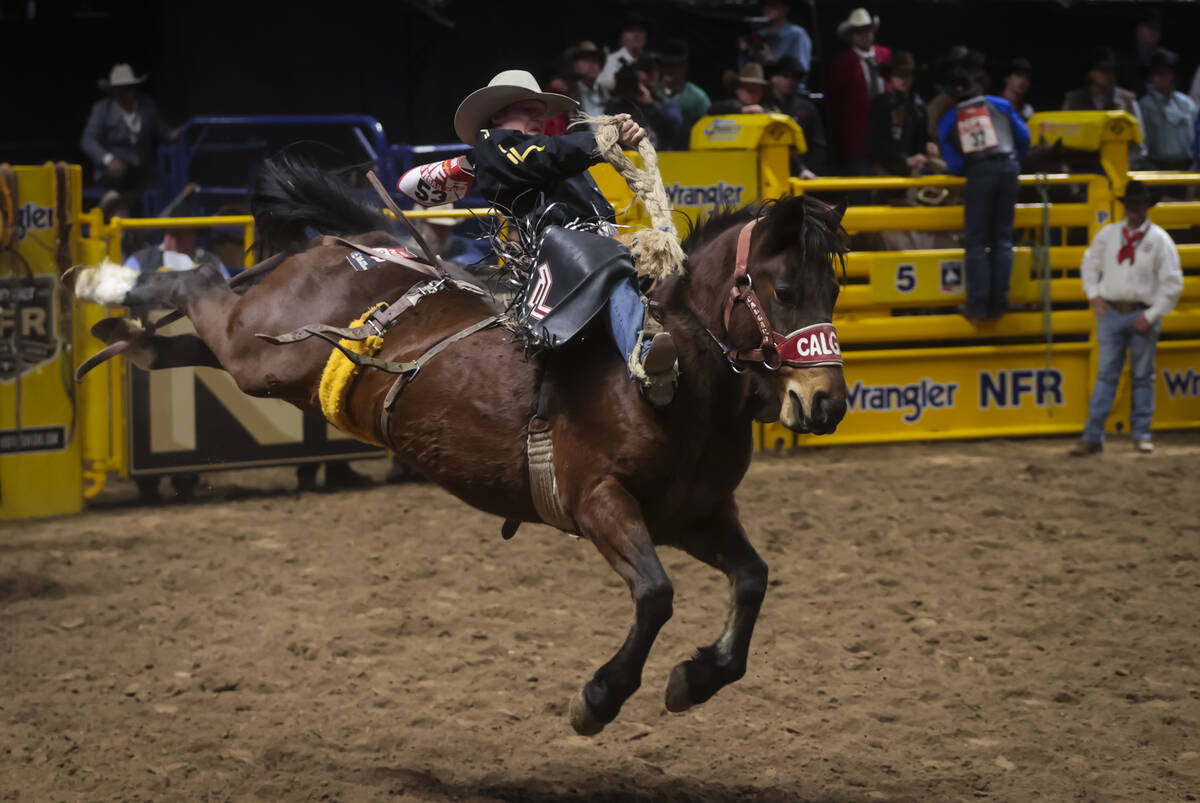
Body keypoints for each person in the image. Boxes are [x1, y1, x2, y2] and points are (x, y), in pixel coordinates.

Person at [397, 70, 678, 406]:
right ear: (499, 114)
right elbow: (545, 155)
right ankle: (644, 356)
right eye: (529, 109)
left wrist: (614, 136)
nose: (539, 118)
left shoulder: (543, 155)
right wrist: (602, 140)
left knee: (665, 267)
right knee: (610, 260)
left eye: (541, 112)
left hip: (586, 253)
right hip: (564, 260)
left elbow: (551, 155)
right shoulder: (494, 147)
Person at [1070, 181, 1183, 456]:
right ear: (1126, 206)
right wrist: (1094, 294)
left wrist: (1152, 314)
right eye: (1130, 203)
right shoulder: (1109, 235)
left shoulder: (1159, 240)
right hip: (1112, 310)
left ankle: (1138, 433)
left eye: (1138, 203)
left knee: (1139, 375)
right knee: (1111, 374)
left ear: (1146, 206)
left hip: (1140, 311)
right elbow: (1088, 262)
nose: (1133, 209)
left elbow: (1173, 284)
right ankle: (1094, 434)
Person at [937, 68, 1030, 323]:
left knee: (977, 241)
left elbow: (954, 165)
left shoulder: (948, 119)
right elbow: (1025, 136)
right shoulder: (1000, 104)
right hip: (1009, 169)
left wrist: (976, 167)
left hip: (979, 174)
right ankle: (1000, 304)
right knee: (1002, 238)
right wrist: (1013, 162)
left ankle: (978, 307)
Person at [81, 64, 176, 195]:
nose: (124, 92)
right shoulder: (103, 109)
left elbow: (164, 132)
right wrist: (109, 160)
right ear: (113, 90)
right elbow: (88, 140)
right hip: (113, 172)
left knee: (163, 182)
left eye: (128, 88)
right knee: (118, 183)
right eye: (120, 89)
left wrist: (175, 134)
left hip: (142, 170)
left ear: (134, 88)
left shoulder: (147, 106)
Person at [827, 8, 891, 176]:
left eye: (867, 30)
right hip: (858, 136)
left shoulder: (885, 55)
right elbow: (836, 102)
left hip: (887, 133)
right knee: (862, 184)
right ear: (851, 35)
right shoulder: (842, 63)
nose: (864, 35)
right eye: (859, 31)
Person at [1063, 46, 1149, 167]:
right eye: (1101, 70)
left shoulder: (1127, 100)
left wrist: (1125, 166)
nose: (1106, 74)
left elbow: (1140, 142)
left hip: (1119, 167)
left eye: (1110, 70)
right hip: (1082, 168)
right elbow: (1065, 138)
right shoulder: (1074, 100)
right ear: (1090, 73)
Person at [868, 51, 935, 178]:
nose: (904, 79)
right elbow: (877, 144)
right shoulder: (882, 104)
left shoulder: (918, 104)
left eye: (908, 74)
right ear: (890, 77)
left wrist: (929, 145)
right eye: (900, 74)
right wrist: (904, 161)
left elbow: (922, 137)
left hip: (914, 170)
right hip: (887, 170)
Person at [767, 55, 827, 177]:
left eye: (796, 77)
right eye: (786, 76)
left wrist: (808, 170)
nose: (791, 81)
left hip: (802, 174)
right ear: (774, 78)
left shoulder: (806, 107)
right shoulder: (762, 105)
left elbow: (818, 145)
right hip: (769, 170)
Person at [604, 60, 683, 151]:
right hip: (627, 159)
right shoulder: (617, 104)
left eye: (655, 71)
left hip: (660, 157)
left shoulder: (663, 99)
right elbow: (607, 135)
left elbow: (675, 126)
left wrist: (650, 104)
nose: (653, 75)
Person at [1139, 50, 1198, 171]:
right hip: (1157, 166)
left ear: (1172, 75)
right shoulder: (1144, 105)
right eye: (1157, 74)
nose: (1162, 78)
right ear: (1151, 77)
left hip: (1186, 166)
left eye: (1166, 73)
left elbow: (1195, 138)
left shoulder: (1187, 103)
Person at [658, 39, 711, 146]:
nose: (669, 69)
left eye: (674, 65)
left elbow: (708, 130)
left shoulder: (697, 97)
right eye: (666, 65)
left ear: (684, 67)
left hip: (687, 151)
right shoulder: (651, 93)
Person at [739, 0, 812, 78]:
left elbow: (801, 70)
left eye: (772, 5)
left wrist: (769, 59)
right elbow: (756, 41)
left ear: (785, 9)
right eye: (765, 5)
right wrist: (746, 50)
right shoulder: (759, 34)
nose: (767, 9)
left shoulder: (797, 35)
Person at [597, 18, 648, 92]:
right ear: (621, 37)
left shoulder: (650, 59)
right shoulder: (612, 59)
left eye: (640, 31)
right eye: (631, 31)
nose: (636, 35)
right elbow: (604, 83)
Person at [565, 41, 609, 117]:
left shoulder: (607, 93)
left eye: (595, 61)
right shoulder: (567, 92)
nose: (591, 65)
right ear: (575, 65)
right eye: (586, 60)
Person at [1000, 58, 1035, 122]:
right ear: (1007, 78)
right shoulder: (993, 104)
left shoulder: (1028, 111)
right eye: (1018, 75)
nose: (1023, 81)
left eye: (1027, 77)